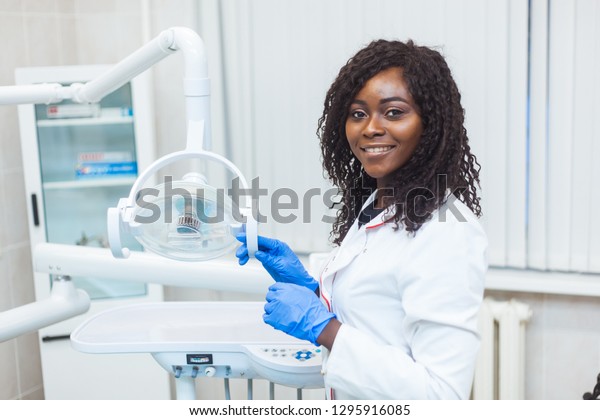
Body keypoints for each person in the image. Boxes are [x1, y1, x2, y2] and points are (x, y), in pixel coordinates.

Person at [235, 39, 487, 400]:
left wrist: (325, 329)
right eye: (357, 114)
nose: (370, 128)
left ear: (430, 125)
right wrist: (313, 291)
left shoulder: (448, 232)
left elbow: (442, 396)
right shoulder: (376, 206)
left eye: (394, 112)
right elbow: (376, 319)